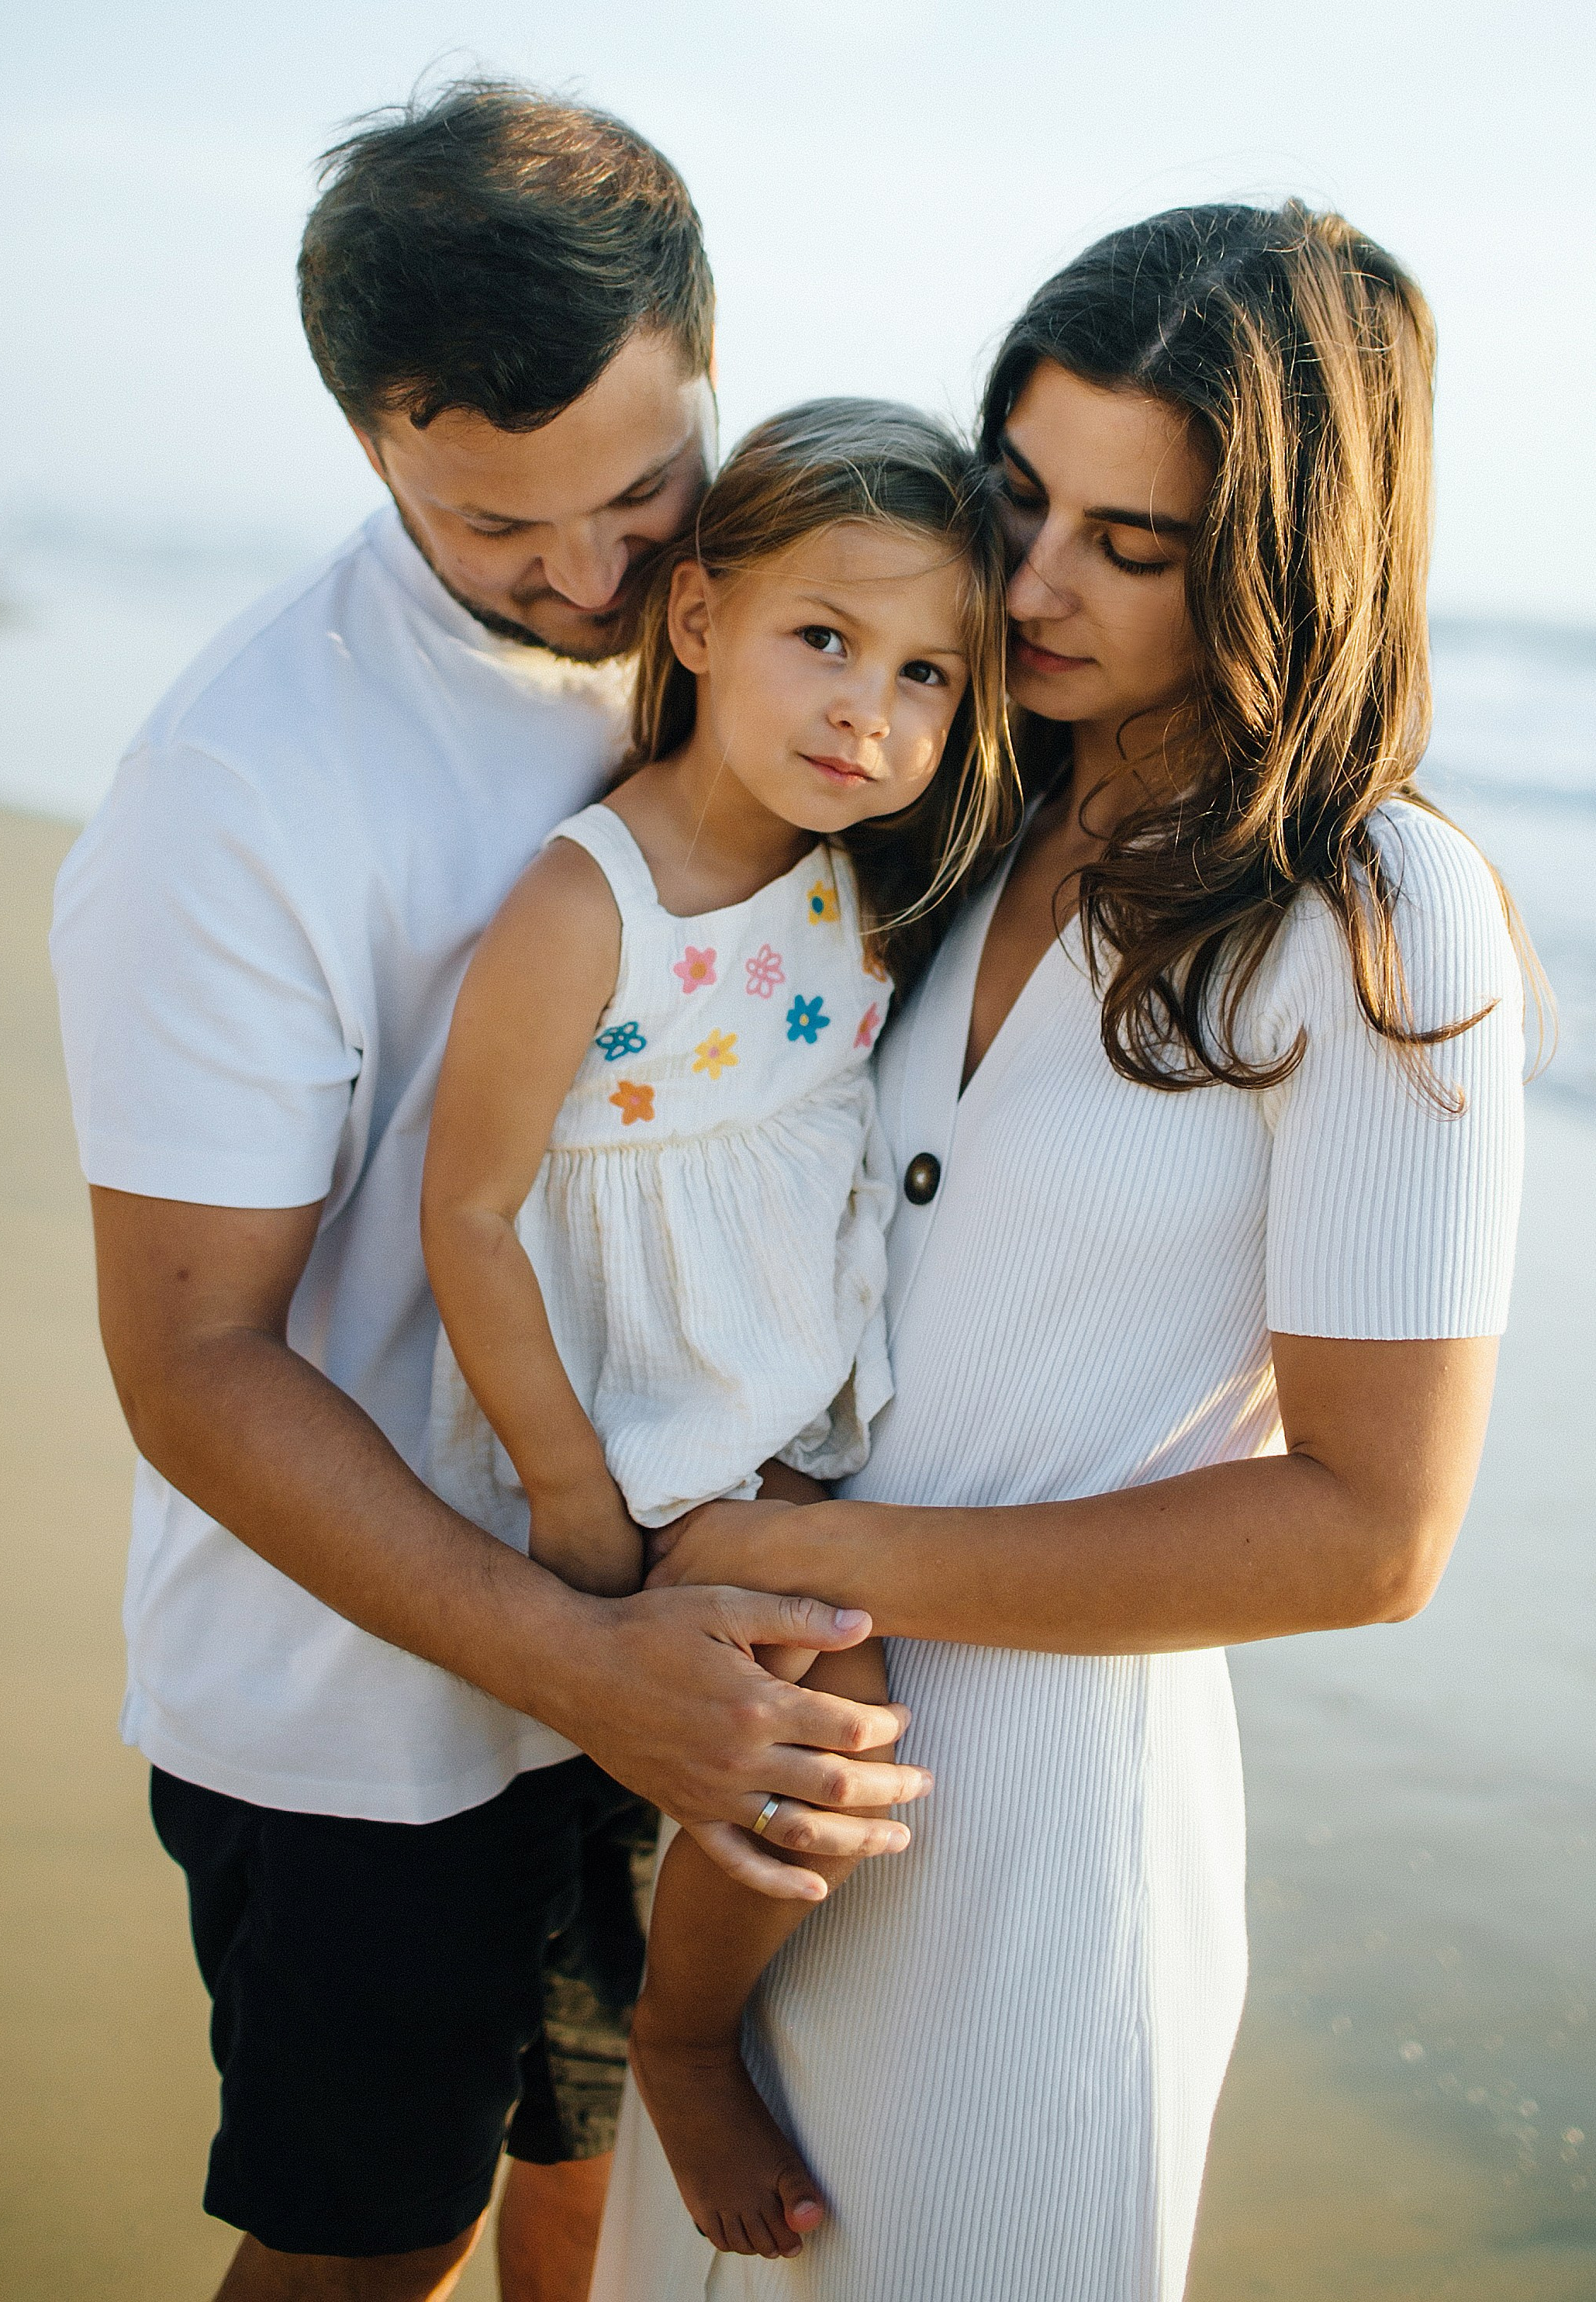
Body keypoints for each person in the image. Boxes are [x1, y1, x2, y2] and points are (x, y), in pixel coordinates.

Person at [592, 202, 1529, 2301]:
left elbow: (1371, 1533)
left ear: (1286, 554)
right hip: (756, 1811)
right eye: (1018, 500)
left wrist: (835, 1563)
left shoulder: (1378, 921)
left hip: (1034, 1877)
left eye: (1133, 540)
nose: (1029, 586)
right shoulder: (958, 798)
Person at [49, 84, 928, 2302]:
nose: (584, 574)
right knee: (368, 2252)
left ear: (703, 373)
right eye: (488, 524)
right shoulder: (241, 788)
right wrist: (582, 1658)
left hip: (659, 1641)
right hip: (364, 1715)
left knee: (595, 2218)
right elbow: (186, 1363)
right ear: (373, 448)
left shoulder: (747, 633)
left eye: (638, 492)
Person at [420, 398, 1014, 2266]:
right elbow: (468, 1212)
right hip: (648, 1440)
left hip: (789, 1413)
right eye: (822, 637)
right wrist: (572, 1497)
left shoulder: (853, 875)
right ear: (696, 622)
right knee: (829, 1727)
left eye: (928, 670)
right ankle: (690, 2036)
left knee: (589, 1996)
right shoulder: (584, 901)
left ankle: (637, 2039)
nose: (870, 707)